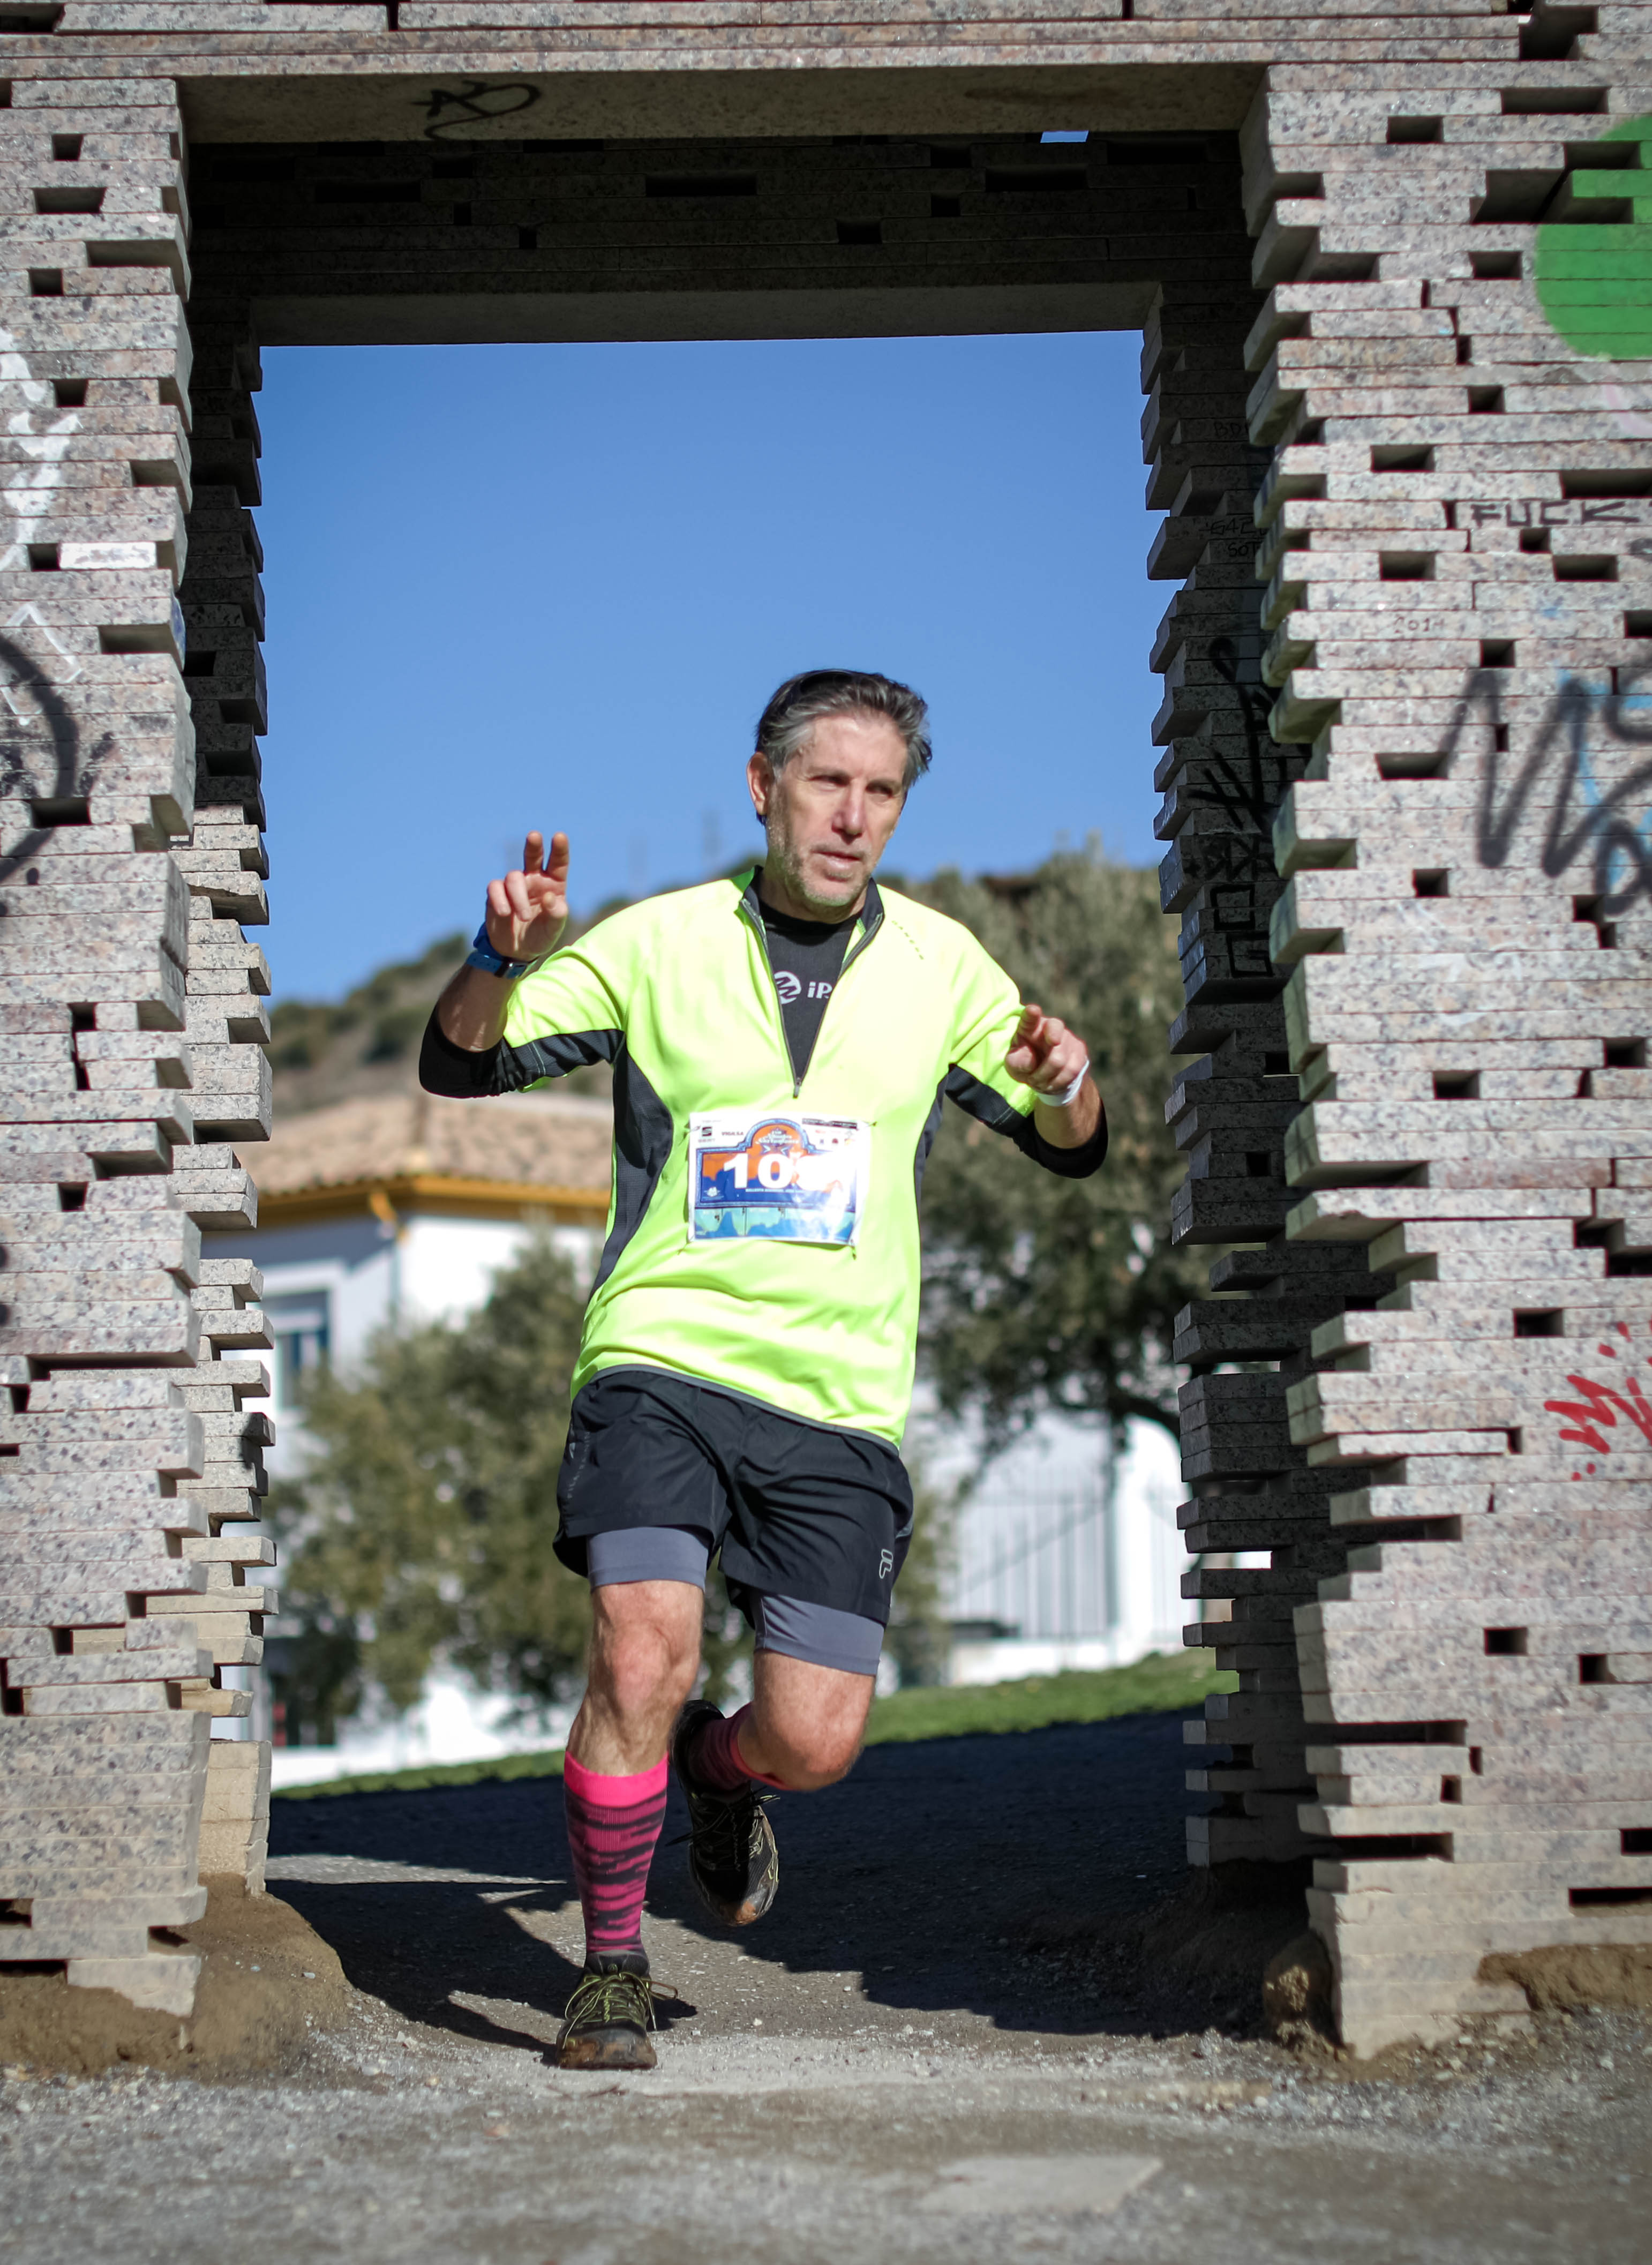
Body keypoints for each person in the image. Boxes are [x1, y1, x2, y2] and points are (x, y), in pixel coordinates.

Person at [420, 669, 1106, 2069]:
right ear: (762, 785)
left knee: (816, 1737)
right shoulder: (653, 941)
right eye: (826, 782)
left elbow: (1071, 1140)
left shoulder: (940, 965)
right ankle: (608, 1967)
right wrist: (495, 959)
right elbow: (458, 1066)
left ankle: (720, 1780)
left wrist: (1070, 1072)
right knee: (641, 1645)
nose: (852, 817)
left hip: (836, 1402)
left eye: (880, 792)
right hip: (662, 1358)